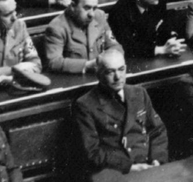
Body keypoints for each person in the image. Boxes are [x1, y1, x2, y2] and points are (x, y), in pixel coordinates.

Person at [72, 48, 168, 176]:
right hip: (115, 170)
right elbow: (92, 152)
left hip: (148, 165)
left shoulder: (139, 92)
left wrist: (157, 160)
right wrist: (129, 168)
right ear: (98, 74)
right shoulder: (85, 104)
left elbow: (157, 130)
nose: (118, 77)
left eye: (121, 69)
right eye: (110, 72)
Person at [41, 0, 122, 74]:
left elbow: (115, 46)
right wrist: (87, 65)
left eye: (94, 8)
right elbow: (54, 62)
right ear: (72, 6)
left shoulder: (99, 16)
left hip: (102, 75)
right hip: (73, 80)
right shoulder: (56, 27)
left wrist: (109, 60)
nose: (91, 14)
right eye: (87, 8)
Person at [107, 0, 185, 60]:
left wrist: (170, 39)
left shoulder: (157, 2)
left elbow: (165, 26)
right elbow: (127, 46)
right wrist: (161, 50)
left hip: (154, 57)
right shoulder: (119, 12)